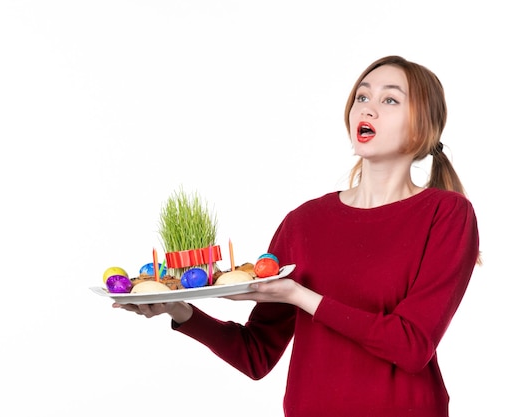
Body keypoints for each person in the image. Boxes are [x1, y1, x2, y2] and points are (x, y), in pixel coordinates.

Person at [113, 55, 481, 417]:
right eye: (362, 97)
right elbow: (256, 355)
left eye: (390, 99)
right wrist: (180, 310)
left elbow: (412, 346)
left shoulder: (446, 214)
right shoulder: (304, 222)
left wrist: (302, 297)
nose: (368, 109)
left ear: (424, 126)